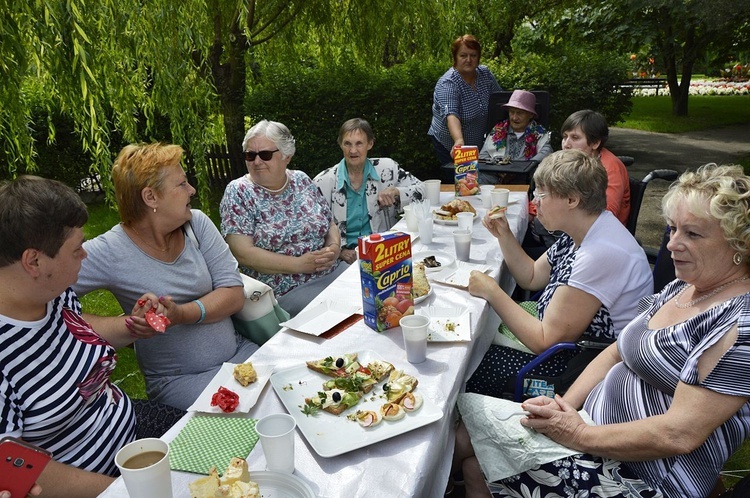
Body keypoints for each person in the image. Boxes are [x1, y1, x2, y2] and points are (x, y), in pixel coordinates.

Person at [456, 163, 750, 498]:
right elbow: (615, 351)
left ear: (739, 244)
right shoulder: (684, 287)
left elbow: (677, 435)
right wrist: (566, 407)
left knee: (473, 452)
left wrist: (576, 433)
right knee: (469, 437)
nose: (671, 245)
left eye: (692, 234)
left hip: (641, 477)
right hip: (594, 430)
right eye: (672, 229)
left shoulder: (739, 325)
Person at [0, 176, 173, 497]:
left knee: (229, 438)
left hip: (131, 427)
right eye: (77, 249)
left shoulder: (51, 292)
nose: (85, 256)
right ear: (34, 261)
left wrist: (130, 325)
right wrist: (126, 492)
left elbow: (76, 327)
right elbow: (18, 469)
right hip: (95, 482)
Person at [74, 143, 258, 411]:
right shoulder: (110, 250)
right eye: (182, 184)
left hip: (239, 356)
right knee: (243, 427)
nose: (192, 190)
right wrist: (126, 324)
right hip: (179, 381)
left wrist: (180, 314)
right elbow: (44, 301)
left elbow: (232, 293)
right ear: (151, 197)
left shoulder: (196, 224)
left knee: (295, 396)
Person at [465, 149, 652, 399]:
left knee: (471, 370)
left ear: (572, 200)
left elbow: (545, 340)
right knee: (474, 338)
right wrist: (504, 235)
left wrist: (492, 291)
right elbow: (531, 277)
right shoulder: (583, 231)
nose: (534, 202)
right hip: (565, 343)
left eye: (541, 194)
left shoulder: (599, 253)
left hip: (582, 366)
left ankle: (467, 432)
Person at [221, 120, 345, 317]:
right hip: (289, 290)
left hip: (334, 270)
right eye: (250, 155)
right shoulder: (239, 192)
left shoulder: (301, 180)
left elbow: (329, 222)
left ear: (286, 155)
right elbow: (242, 252)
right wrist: (299, 265)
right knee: (346, 314)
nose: (257, 161)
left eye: (265, 155)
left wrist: (334, 248)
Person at [314, 118, 425, 264]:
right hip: (343, 262)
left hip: (385, 253)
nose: (353, 150)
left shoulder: (387, 169)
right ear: (340, 144)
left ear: (370, 144)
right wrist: (339, 251)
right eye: (347, 143)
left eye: (359, 143)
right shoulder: (323, 182)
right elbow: (312, 229)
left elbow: (423, 190)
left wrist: (396, 191)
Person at [428, 34, 502, 167]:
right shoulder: (448, 83)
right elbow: (451, 115)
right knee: (461, 181)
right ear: (455, 58)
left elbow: (500, 100)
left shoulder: (485, 74)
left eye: (473, 55)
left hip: (477, 141)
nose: (469, 60)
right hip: (450, 144)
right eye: (463, 55)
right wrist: (458, 140)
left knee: (476, 180)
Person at [561, 109, 631, 224]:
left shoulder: (610, 168)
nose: (566, 144)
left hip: (601, 232)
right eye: (564, 137)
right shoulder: (572, 160)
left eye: (575, 138)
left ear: (595, 143)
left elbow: (608, 213)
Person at [478, 89, 553, 184]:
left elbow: (546, 154)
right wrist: (497, 168)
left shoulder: (539, 133)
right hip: (496, 176)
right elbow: (482, 157)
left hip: (525, 177)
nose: (514, 117)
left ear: (530, 115)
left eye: (520, 113)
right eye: (512, 112)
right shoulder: (498, 130)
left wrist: (520, 169)